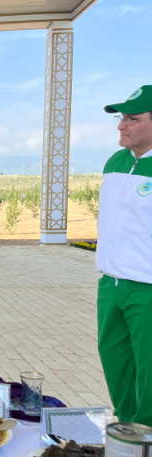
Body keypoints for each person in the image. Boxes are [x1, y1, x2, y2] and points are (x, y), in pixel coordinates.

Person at [97, 85, 152, 425]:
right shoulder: (116, 161)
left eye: (133, 118)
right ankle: (127, 438)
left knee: (149, 374)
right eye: (122, 117)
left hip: (145, 291)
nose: (121, 125)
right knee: (116, 365)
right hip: (110, 286)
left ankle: (146, 451)